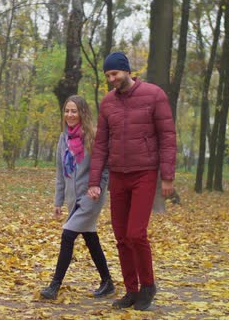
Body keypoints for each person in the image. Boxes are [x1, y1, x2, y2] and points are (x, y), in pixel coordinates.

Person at [87, 52, 176, 311]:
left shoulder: (154, 95)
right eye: (108, 76)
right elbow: (101, 144)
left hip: (144, 173)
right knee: (121, 237)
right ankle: (131, 291)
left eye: (114, 74)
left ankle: (148, 286)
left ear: (126, 71)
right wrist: (95, 181)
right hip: (118, 175)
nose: (112, 79)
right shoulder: (108, 103)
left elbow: (168, 137)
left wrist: (167, 177)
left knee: (136, 234)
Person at [40, 95, 114, 300]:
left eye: (74, 111)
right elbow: (60, 173)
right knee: (90, 238)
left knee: (68, 234)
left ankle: (54, 286)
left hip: (91, 197)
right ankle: (107, 281)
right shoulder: (63, 139)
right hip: (74, 200)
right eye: (67, 111)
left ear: (83, 112)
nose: (70, 115)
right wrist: (58, 201)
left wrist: (98, 187)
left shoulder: (94, 136)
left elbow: (105, 168)